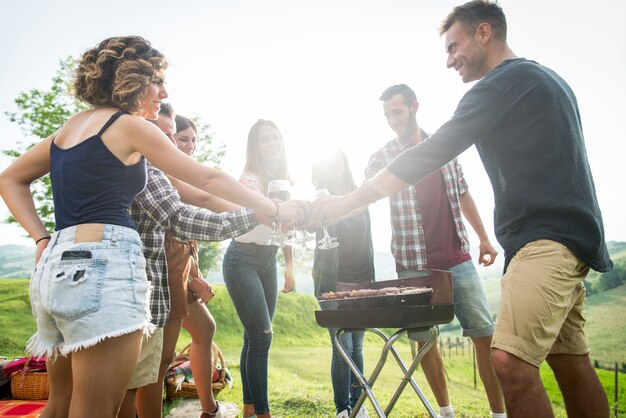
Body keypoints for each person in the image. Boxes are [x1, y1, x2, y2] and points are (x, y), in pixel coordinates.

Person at [309, 2, 612, 417]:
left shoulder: (499, 85)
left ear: (483, 33)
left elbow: (429, 153)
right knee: (569, 360)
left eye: (453, 47)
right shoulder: (546, 78)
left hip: (545, 241)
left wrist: (345, 202)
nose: (449, 61)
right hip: (574, 239)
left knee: (507, 360)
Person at [0, 36, 302, 418]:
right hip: (105, 270)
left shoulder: (68, 129)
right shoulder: (129, 126)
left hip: (55, 269)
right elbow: (206, 181)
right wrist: (271, 207)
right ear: (132, 78)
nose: (164, 91)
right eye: (157, 80)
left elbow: (10, 178)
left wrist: (41, 237)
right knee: (96, 410)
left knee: (58, 406)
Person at [364, 83, 505, 418]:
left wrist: (484, 238)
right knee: (424, 340)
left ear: (414, 106)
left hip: (457, 258)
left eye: (397, 112)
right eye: (387, 115)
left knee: (484, 334)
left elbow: (463, 192)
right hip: (413, 262)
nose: (393, 120)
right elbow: (367, 187)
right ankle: (445, 412)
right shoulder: (383, 155)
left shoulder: (444, 147)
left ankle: (499, 414)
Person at [119, 105, 266, 418]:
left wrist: (257, 217)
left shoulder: (160, 169)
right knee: (150, 365)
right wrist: (260, 216)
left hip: (168, 270)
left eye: (182, 138)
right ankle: (204, 408)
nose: (178, 144)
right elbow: (188, 213)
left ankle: (207, 407)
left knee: (157, 360)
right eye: (172, 136)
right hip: (149, 275)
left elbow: (207, 200)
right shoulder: (147, 170)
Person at [222, 119, 296, 418]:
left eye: (276, 138)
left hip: (268, 261)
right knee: (263, 336)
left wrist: (289, 265)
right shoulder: (249, 180)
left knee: (253, 336)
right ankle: (264, 413)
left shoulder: (285, 180)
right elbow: (262, 217)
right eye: (265, 139)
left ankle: (249, 409)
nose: (273, 144)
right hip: (243, 259)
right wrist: (281, 211)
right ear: (255, 146)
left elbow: (287, 226)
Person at [311, 149, 375, 418]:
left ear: (345, 162)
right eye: (330, 158)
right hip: (333, 281)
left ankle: (358, 403)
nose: (335, 163)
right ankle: (342, 408)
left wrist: (370, 282)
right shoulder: (320, 196)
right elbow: (318, 230)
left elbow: (368, 239)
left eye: (339, 157)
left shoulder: (360, 193)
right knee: (342, 347)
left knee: (357, 346)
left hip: (361, 281)